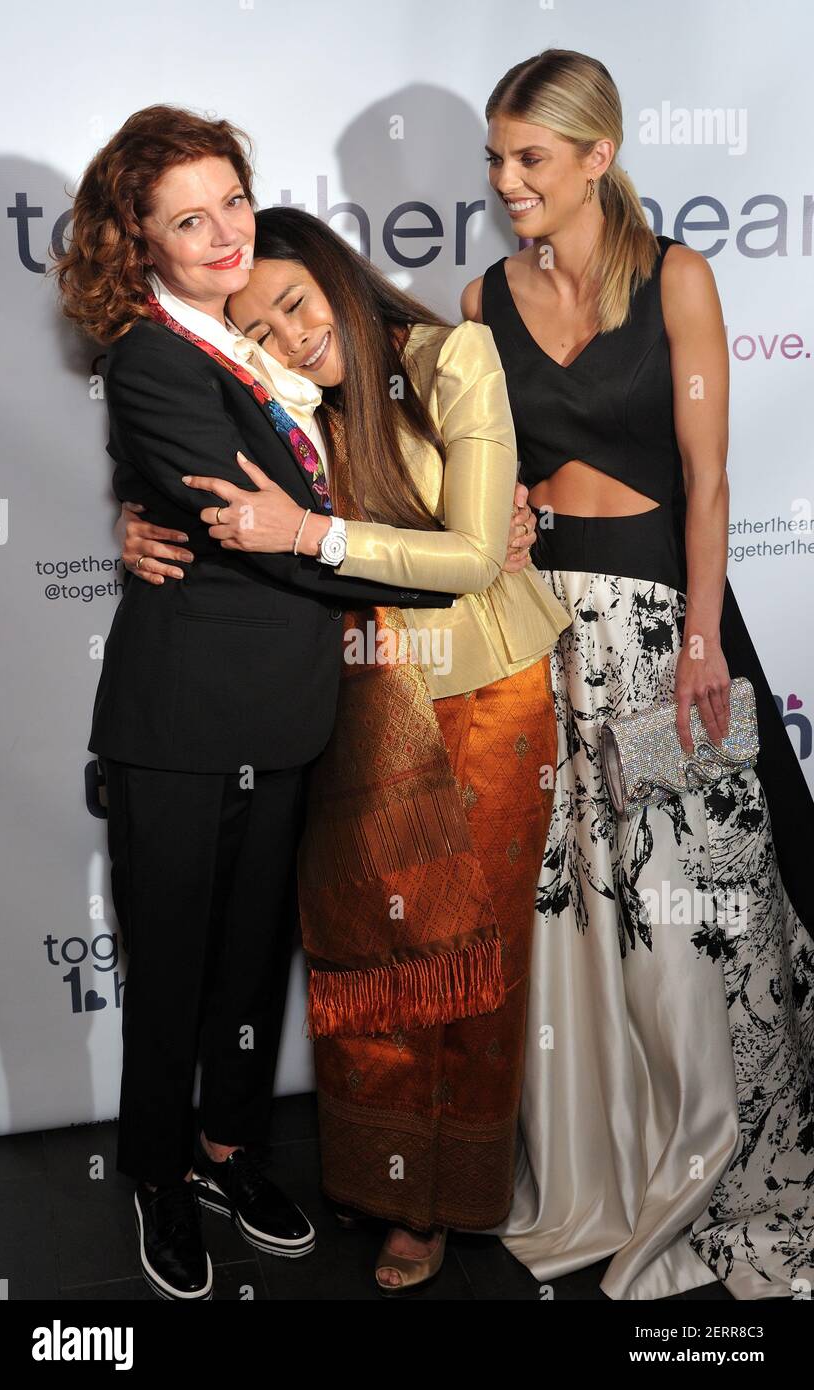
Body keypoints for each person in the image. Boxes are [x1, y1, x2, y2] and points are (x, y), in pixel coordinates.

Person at [52, 105, 465, 1301]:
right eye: (190, 218)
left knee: (250, 962)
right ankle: (157, 1176)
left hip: (292, 707)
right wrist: (446, 544)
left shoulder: (260, 335)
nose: (227, 232)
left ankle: (230, 1151)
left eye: (233, 199)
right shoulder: (150, 355)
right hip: (179, 717)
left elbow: (334, 457)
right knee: (172, 962)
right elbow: (266, 532)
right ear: (140, 244)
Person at [120, 204, 572, 1293]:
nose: (286, 336)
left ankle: (451, 1198)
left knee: (470, 969)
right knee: (369, 967)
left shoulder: (452, 355)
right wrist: (137, 520)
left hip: (481, 694)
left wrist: (309, 530)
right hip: (346, 701)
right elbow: (202, 493)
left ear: (334, 273)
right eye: (259, 330)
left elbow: (469, 554)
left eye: (293, 303)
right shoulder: (275, 403)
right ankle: (383, 1189)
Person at [460, 48, 814, 1299]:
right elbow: (484, 481)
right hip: (545, 639)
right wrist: (494, 527)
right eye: (497, 157)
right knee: (585, 919)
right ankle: (599, 1166)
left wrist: (706, 639)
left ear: (597, 158)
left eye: (530, 158)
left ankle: (718, 1157)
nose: (506, 181)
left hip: (666, 637)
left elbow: (709, 481)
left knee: (684, 924)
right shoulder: (481, 298)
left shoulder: (678, 279)